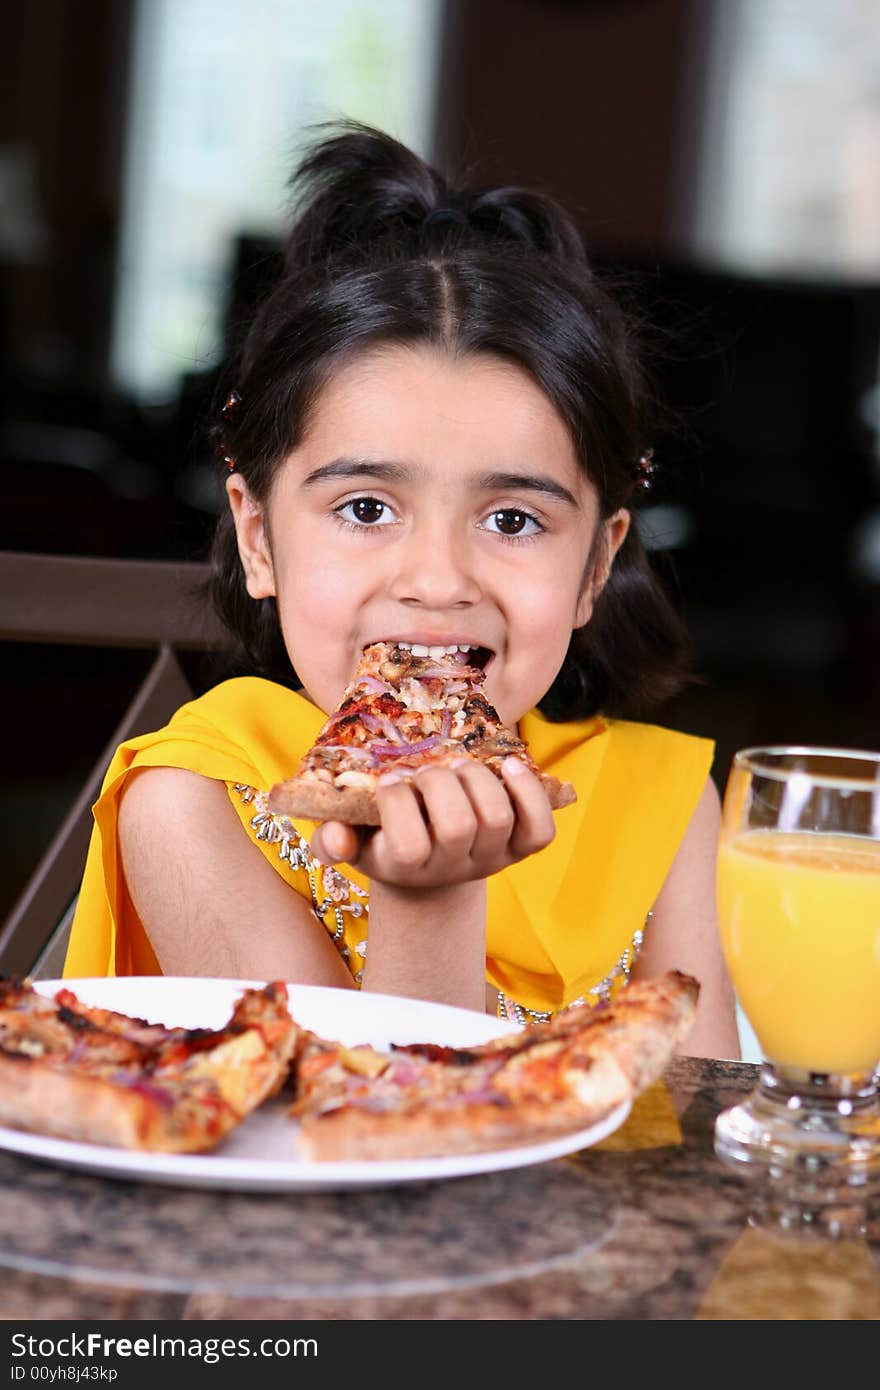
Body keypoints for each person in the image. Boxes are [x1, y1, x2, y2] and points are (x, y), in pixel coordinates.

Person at [66, 124, 739, 1059]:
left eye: (512, 520)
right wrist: (429, 902)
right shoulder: (192, 801)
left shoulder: (661, 800)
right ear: (258, 538)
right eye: (368, 506)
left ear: (595, 567)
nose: (436, 581)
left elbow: (692, 1146)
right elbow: (356, 1153)